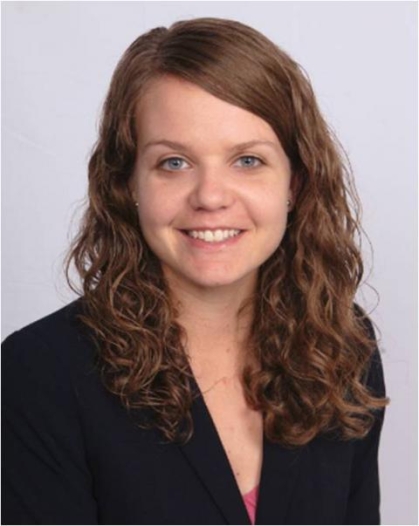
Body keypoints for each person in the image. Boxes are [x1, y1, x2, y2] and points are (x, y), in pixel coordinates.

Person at [2, 17, 388, 525]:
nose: (210, 197)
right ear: (128, 182)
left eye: (248, 160)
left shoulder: (341, 346)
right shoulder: (36, 374)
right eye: (174, 163)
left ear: (295, 182)